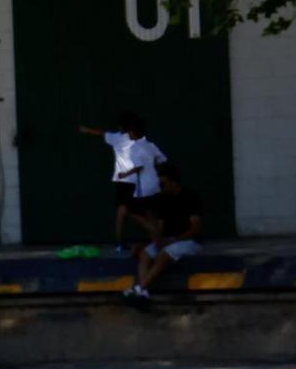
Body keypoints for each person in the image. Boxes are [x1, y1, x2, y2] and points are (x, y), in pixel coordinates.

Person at [78, 113, 165, 252]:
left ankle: (122, 243)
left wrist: (86, 130)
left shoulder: (118, 138)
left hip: (126, 180)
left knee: (125, 211)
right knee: (147, 211)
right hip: (140, 181)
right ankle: (156, 241)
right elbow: (158, 159)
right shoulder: (144, 141)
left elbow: (102, 133)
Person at [127, 163, 204, 300]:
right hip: (168, 241)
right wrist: (156, 241)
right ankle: (143, 292)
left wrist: (174, 240)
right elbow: (160, 227)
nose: (160, 187)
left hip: (188, 242)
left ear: (173, 182)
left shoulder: (190, 197)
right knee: (145, 255)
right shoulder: (162, 199)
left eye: (163, 184)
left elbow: (196, 228)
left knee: (163, 254)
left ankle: (141, 287)